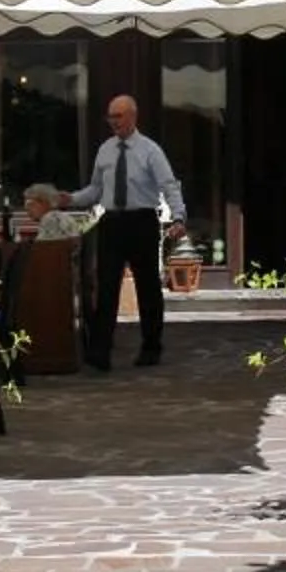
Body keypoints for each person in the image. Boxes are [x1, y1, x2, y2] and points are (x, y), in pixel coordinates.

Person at [63, 94, 186, 369]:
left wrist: (178, 216)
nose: (113, 122)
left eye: (118, 116)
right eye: (110, 117)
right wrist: (70, 199)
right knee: (106, 287)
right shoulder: (105, 150)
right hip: (112, 223)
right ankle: (100, 351)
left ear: (132, 116)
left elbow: (168, 185)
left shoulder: (150, 150)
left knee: (147, 287)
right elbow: (96, 190)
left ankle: (151, 347)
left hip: (141, 221)